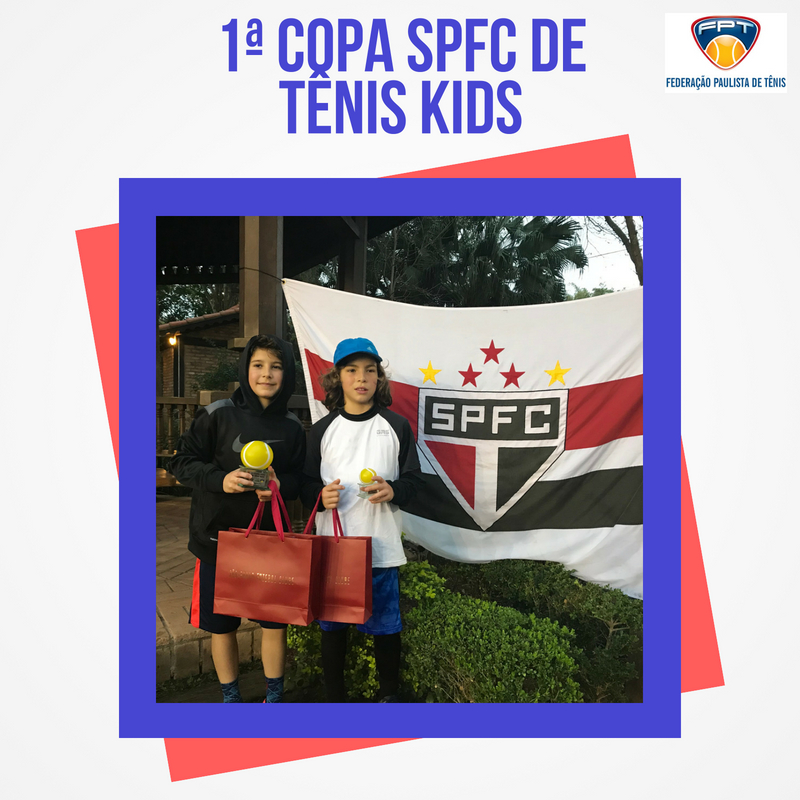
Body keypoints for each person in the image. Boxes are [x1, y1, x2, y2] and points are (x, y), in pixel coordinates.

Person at [171, 334, 306, 703]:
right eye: (258, 365)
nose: (267, 374)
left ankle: (273, 699)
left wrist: (280, 485)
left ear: (287, 374)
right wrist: (221, 480)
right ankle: (231, 699)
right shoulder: (218, 414)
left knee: (274, 624)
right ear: (246, 368)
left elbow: (300, 480)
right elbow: (182, 462)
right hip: (218, 541)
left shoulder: (292, 427)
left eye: (276, 367)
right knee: (222, 626)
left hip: (270, 543)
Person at [300, 337, 424, 702]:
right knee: (333, 630)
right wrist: (319, 497)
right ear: (337, 377)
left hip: (381, 549)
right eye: (352, 370)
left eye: (370, 370)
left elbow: (415, 484)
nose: (361, 378)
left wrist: (393, 490)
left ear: (379, 378)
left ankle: (388, 698)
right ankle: (334, 700)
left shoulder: (396, 426)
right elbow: (305, 485)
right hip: (334, 550)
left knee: (386, 631)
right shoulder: (322, 430)